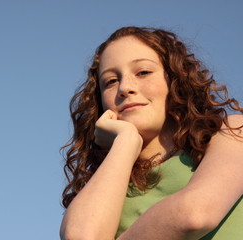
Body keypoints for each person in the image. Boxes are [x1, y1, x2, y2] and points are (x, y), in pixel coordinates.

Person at [60, 26, 243, 240]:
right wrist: (125, 142)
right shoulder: (106, 186)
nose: (124, 88)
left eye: (143, 72)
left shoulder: (232, 131)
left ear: (176, 80)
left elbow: (195, 213)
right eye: (110, 81)